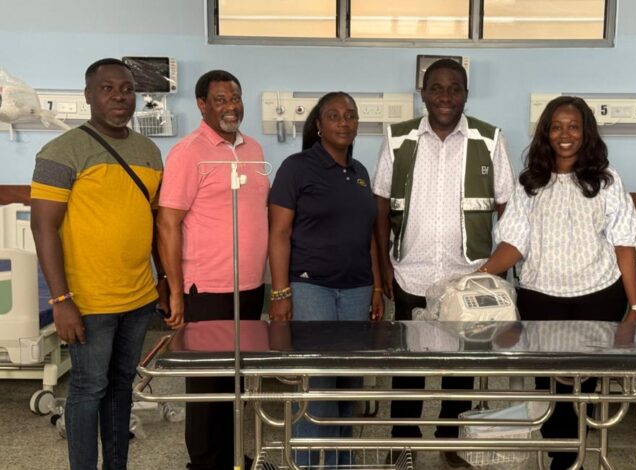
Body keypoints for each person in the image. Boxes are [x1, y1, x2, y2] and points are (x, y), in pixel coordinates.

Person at [478, 96, 636, 470]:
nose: (564, 134)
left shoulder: (607, 180)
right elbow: (514, 243)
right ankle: (562, 456)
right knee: (550, 387)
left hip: (598, 296)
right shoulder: (530, 183)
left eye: (573, 126)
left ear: (586, 132)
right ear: (545, 133)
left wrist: (634, 307)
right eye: (556, 127)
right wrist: (480, 277)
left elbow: (624, 243)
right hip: (541, 299)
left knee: (584, 387)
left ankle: (575, 456)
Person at [373, 58, 515, 468]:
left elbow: (507, 206)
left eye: (455, 88)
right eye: (436, 87)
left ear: (466, 94)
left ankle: (451, 438)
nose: (445, 96)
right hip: (411, 274)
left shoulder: (489, 139)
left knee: (461, 366)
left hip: (468, 276)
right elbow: (380, 205)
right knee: (408, 366)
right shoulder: (398, 138)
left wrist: (497, 270)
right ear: (423, 93)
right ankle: (403, 441)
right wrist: (384, 266)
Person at [30, 58, 165, 470]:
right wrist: (61, 300)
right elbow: (43, 228)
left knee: (122, 386)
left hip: (138, 297)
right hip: (88, 301)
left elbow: (154, 223)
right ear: (88, 95)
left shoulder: (150, 152)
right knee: (88, 390)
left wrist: (164, 281)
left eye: (126, 89)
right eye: (107, 88)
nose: (119, 97)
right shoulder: (62, 151)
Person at [156, 70, 269, 470]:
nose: (230, 107)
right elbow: (168, 223)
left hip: (251, 286)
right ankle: (205, 463)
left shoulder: (254, 148)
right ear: (202, 105)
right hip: (207, 289)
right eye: (220, 100)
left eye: (235, 98)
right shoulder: (189, 153)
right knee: (208, 384)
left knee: (237, 381)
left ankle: (232, 456)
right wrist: (174, 290)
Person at [268, 91, 384, 468]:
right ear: (318, 124)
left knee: (349, 386)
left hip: (357, 290)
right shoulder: (296, 168)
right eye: (334, 115)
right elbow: (279, 233)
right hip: (311, 287)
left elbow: (369, 237)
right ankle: (307, 463)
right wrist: (280, 293)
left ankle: (341, 463)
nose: (344, 122)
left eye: (350, 115)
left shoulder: (360, 173)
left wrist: (376, 287)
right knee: (317, 387)